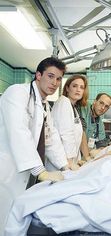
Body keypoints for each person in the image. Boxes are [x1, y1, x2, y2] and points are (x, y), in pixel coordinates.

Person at [0, 57, 69, 234]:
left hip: (25, 170)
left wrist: (66, 166)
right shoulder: (17, 92)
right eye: (51, 76)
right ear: (38, 75)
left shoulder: (44, 105)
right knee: (4, 216)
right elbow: (18, 131)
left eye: (59, 79)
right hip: (7, 167)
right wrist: (41, 171)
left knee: (15, 218)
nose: (54, 83)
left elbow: (51, 138)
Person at [52, 74, 90, 169]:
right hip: (61, 163)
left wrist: (78, 160)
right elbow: (66, 134)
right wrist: (69, 163)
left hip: (70, 161)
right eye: (74, 86)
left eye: (81, 87)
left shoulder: (74, 109)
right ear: (67, 88)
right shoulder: (63, 102)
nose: (78, 90)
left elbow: (75, 138)